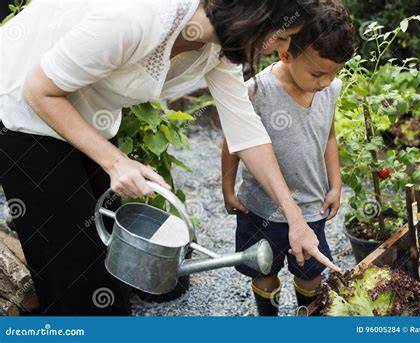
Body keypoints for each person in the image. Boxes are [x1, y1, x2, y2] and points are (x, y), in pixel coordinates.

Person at [0, 0, 339, 315]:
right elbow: (38, 90)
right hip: (24, 108)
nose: (281, 49)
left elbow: (248, 135)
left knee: (107, 249)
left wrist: (295, 218)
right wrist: (116, 161)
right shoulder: (136, 16)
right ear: (254, 16)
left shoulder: (222, 47)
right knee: (73, 274)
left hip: (87, 114)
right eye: (281, 36)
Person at [221, 0, 355, 316]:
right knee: (263, 271)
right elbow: (233, 143)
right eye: (317, 73)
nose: (326, 83)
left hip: (310, 209)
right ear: (285, 53)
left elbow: (329, 137)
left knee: (310, 276)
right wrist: (228, 189)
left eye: (334, 73)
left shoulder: (330, 88)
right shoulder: (257, 91)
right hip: (259, 208)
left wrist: (335, 184)